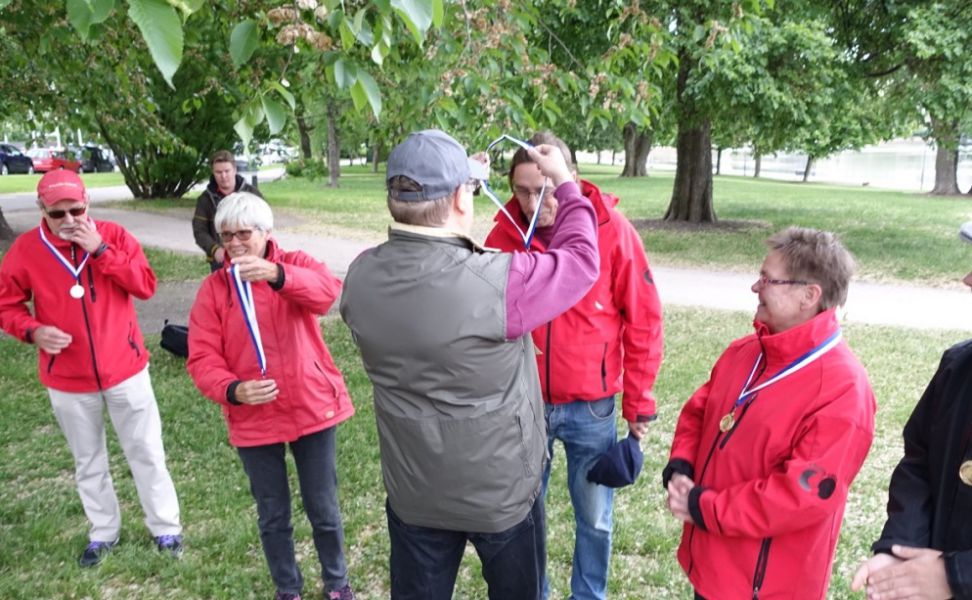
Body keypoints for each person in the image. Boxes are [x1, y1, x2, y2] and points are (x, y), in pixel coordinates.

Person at [339, 129, 600, 600]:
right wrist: (565, 183)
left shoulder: (359, 278)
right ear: (462, 197)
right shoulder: (500, 283)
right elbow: (581, 260)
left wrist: (463, 179)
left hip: (414, 491)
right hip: (500, 496)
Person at [483, 131, 663, 599]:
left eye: (543, 188)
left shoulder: (612, 230)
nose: (531, 201)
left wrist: (639, 403)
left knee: (596, 518)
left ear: (570, 179)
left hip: (592, 406)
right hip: (525, 404)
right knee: (524, 515)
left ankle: (589, 595)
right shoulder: (502, 233)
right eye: (521, 189)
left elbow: (643, 319)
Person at [663, 227, 876, 599]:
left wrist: (704, 507)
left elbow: (800, 497)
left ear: (809, 296)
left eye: (767, 279)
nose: (755, 287)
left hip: (766, 586)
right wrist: (683, 465)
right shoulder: (747, 352)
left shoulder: (843, 390)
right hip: (713, 567)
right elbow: (700, 412)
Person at [0, 169, 183, 567]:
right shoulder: (27, 250)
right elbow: (6, 305)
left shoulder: (114, 236)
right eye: (57, 213)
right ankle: (103, 532)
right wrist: (32, 331)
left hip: (126, 368)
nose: (68, 221)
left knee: (147, 452)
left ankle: (166, 527)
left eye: (76, 210)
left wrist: (101, 250)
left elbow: (145, 286)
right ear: (40, 210)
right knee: (88, 461)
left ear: (88, 204)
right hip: (67, 377)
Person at [186, 192, 355, 600]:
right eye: (226, 236)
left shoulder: (294, 263)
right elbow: (201, 356)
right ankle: (287, 588)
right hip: (253, 413)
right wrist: (233, 390)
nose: (235, 244)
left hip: (310, 402)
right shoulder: (215, 289)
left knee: (324, 507)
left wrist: (278, 276)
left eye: (244, 234)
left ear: (266, 232)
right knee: (273, 512)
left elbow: (329, 293)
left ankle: (337, 582)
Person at [849, 225, 972, 600]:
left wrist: (956, 576)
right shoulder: (959, 367)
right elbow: (919, 462)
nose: (968, 280)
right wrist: (900, 548)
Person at [192, 150, 263, 271]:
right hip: (221, 260)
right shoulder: (205, 199)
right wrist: (214, 250)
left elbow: (264, 225)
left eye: (227, 171)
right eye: (218, 172)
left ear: (234, 170)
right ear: (213, 173)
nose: (223, 176)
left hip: (252, 256)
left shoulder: (252, 194)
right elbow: (199, 231)